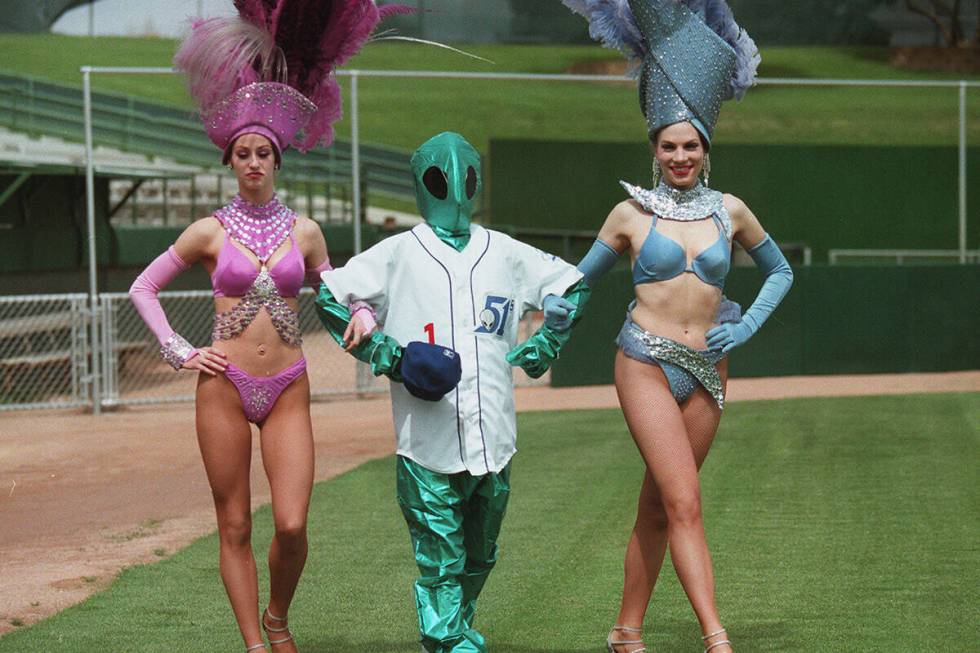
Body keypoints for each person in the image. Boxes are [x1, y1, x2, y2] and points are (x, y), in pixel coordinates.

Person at [127, 3, 400, 650]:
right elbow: (144, 287)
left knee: (293, 522)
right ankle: (258, 640)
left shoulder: (305, 232)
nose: (253, 161)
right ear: (230, 160)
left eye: (263, 153)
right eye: (243, 152)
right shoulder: (206, 231)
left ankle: (278, 610)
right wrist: (178, 348)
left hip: (287, 387)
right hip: (222, 386)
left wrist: (360, 310)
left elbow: (332, 291)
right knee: (234, 526)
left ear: (278, 159)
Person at [561, 2, 792, 652]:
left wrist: (744, 333)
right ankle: (716, 637)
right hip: (643, 363)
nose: (681, 155)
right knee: (685, 502)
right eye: (670, 145)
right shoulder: (629, 214)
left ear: (706, 149)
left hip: (710, 370)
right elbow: (579, 281)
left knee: (661, 505)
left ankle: (626, 629)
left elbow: (780, 273)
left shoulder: (732, 211)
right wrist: (551, 312)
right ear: (654, 148)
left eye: (691, 144)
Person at [313, 131, 590, 653]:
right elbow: (329, 298)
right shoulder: (399, 252)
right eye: (441, 177)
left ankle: (455, 627)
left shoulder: (502, 250)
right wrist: (388, 356)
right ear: (422, 183)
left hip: (495, 433)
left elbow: (572, 285)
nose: (455, 187)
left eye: (464, 176)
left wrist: (549, 338)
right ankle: (444, 641)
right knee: (440, 557)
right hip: (427, 440)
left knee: (481, 554)